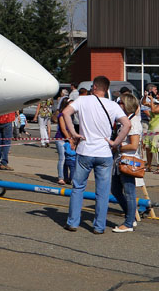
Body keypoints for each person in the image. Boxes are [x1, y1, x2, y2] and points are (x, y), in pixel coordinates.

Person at [62, 75, 130, 234]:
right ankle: (98, 226)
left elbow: (65, 113)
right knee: (103, 191)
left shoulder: (83, 100)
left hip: (85, 150)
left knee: (78, 187)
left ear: (94, 87)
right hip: (104, 152)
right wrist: (116, 142)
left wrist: (73, 133)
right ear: (106, 90)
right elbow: (127, 124)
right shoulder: (113, 105)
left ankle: (72, 222)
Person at [110, 94, 142, 234]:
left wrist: (117, 147)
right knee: (116, 190)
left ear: (127, 105)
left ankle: (129, 222)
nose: (119, 104)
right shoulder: (124, 120)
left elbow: (133, 145)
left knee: (129, 192)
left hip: (128, 161)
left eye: (121, 103)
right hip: (120, 161)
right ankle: (130, 216)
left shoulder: (134, 122)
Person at [142, 84, 159, 173]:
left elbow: (153, 110)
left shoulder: (157, 105)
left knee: (156, 148)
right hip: (151, 127)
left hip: (157, 128)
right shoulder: (155, 103)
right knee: (148, 147)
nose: (157, 96)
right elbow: (144, 103)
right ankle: (149, 166)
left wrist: (152, 100)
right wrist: (145, 97)